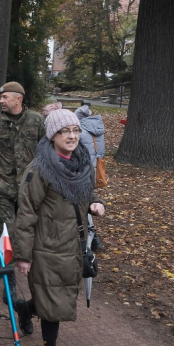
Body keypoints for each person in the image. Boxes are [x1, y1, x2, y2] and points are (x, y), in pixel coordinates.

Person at [14, 109, 105, 346]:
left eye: (75, 131)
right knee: (54, 302)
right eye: (65, 131)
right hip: (47, 248)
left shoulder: (82, 162)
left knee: (59, 296)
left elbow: (85, 192)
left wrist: (95, 201)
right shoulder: (40, 169)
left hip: (74, 245)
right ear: (52, 135)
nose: (72, 136)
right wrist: (24, 255)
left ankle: (26, 309)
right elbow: (26, 213)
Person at [0, 81, 45, 319]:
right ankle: (10, 285)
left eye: (5, 97)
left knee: (30, 238)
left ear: (18, 98)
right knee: (8, 236)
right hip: (3, 191)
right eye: (0, 97)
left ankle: (20, 281)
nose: (1, 101)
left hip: (30, 192)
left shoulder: (36, 121)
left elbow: (48, 153)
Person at [75, 104, 105, 251]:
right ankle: (95, 241)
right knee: (88, 203)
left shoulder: (81, 132)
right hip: (93, 172)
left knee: (83, 205)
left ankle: (92, 240)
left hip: (82, 173)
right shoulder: (98, 130)